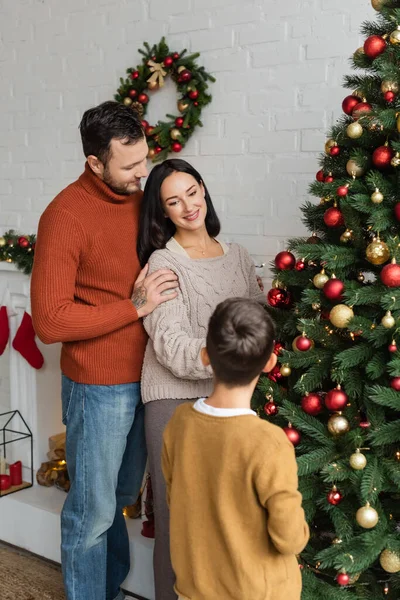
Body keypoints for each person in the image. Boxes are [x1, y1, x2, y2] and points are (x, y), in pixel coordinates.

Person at [30, 101, 179, 600]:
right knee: (90, 512)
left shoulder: (141, 196)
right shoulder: (65, 215)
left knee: (116, 501)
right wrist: (132, 308)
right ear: (95, 162)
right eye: (130, 166)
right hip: (98, 387)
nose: (143, 174)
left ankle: (109, 589)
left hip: (149, 380)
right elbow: (49, 322)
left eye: (145, 160)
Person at [137, 159, 267, 600]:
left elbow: (256, 323)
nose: (188, 206)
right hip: (173, 402)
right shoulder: (163, 262)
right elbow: (171, 345)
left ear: (203, 190)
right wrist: (235, 357)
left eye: (191, 192)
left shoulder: (239, 257)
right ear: (164, 212)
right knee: (179, 523)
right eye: (173, 201)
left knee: (225, 519)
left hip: (228, 399)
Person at [162, 297, 310, 600]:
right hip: (259, 593)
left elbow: (174, 497)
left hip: (193, 589)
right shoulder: (268, 442)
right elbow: (289, 538)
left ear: (206, 355)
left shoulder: (179, 423)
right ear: (270, 363)